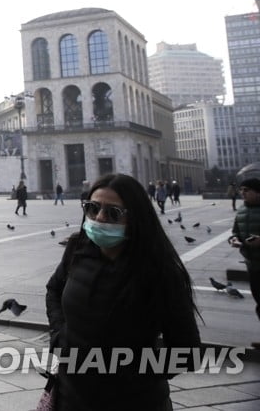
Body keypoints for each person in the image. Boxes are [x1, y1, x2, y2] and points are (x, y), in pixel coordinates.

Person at [45, 173, 200, 410]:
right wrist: (59, 334)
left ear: (136, 218)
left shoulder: (160, 272)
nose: (99, 218)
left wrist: (129, 373)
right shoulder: (78, 250)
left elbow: (187, 352)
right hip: (70, 397)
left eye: (113, 212)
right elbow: (54, 289)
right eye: (92, 208)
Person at [229, 166, 260, 329]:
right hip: (252, 264)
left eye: (246, 190)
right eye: (241, 190)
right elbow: (235, 232)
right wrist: (233, 239)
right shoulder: (241, 211)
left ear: (257, 192)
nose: (242, 193)